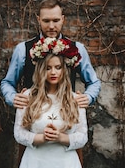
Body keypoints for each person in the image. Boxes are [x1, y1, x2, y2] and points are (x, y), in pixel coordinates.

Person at [1, 0, 101, 110]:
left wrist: (88, 97)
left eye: (56, 20)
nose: (51, 26)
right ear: (38, 19)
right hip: (33, 116)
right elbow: (8, 82)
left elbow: (94, 82)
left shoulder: (77, 48)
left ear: (63, 19)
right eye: (46, 21)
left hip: (66, 115)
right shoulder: (23, 49)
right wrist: (12, 97)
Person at [14, 38, 88, 168]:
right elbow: (19, 133)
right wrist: (42, 138)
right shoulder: (27, 97)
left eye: (58, 67)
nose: (53, 72)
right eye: (48, 68)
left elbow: (82, 137)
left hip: (66, 163)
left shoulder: (75, 99)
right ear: (41, 70)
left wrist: (60, 137)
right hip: (35, 162)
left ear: (64, 70)